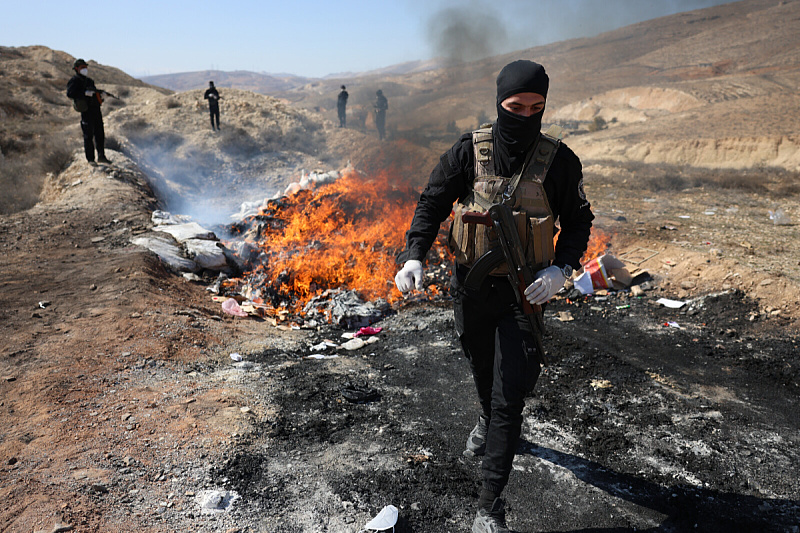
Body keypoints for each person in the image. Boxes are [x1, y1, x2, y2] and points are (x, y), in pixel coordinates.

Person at [394, 59, 594, 532]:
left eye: (536, 107)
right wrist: (414, 255)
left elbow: (579, 220)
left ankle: (489, 505)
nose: (525, 116)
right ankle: (486, 419)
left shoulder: (558, 160)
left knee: (510, 396)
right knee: (483, 371)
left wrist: (561, 269)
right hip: (472, 286)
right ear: (499, 104)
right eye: (515, 106)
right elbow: (432, 201)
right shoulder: (470, 151)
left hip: (525, 293)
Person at [66, 58, 110, 166]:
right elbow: (70, 94)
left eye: (86, 67)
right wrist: (84, 93)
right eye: (82, 68)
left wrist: (101, 96)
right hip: (86, 111)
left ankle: (101, 156)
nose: (85, 69)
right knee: (88, 135)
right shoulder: (74, 81)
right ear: (76, 69)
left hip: (96, 109)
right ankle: (91, 159)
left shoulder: (89, 81)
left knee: (100, 133)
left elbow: (94, 93)